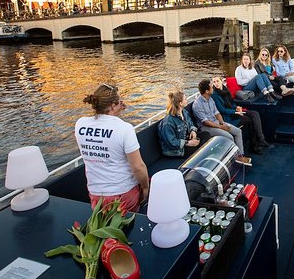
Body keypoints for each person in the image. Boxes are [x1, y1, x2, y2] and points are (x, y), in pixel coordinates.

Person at [74, 83, 149, 213]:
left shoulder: (80, 124)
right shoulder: (124, 129)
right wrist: (145, 188)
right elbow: (138, 167)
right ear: (113, 105)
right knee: (126, 229)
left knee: (105, 228)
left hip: (97, 195)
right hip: (123, 194)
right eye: (119, 102)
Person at [192, 79, 252, 166]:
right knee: (229, 136)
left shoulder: (210, 99)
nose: (213, 88)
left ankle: (240, 156)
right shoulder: (197, 104)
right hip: (206, 127)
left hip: (216, 122)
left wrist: (222, 123)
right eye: (211, 87)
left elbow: (217, 113)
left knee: (238, 132)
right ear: (207, 91)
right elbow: (205, 122)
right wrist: (221, 127)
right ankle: (233, 159)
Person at [211, 77, 272, 155]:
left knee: (255, 113)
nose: (216, 83)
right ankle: (254, 146)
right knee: (250, 120)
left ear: (221, 82)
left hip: (234, 111)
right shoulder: (215, 95)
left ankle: (261, 139)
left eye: (217, 81)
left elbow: (231, 103)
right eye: (214, 82)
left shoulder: (225, 90)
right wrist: (235, 112)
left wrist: (237, 107)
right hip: (228, 117)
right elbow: (222, 110)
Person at [158, 90, 200, 157]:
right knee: (200, 151)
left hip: (186, 139)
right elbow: (172, 143)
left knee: (206, 135)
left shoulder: (184, 112)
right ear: (180, 103)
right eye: (185, 99)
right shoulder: (168, 122)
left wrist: (193, 131)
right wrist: (188, 143)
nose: (187, 100)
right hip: (175, 151)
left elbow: (190, 123)